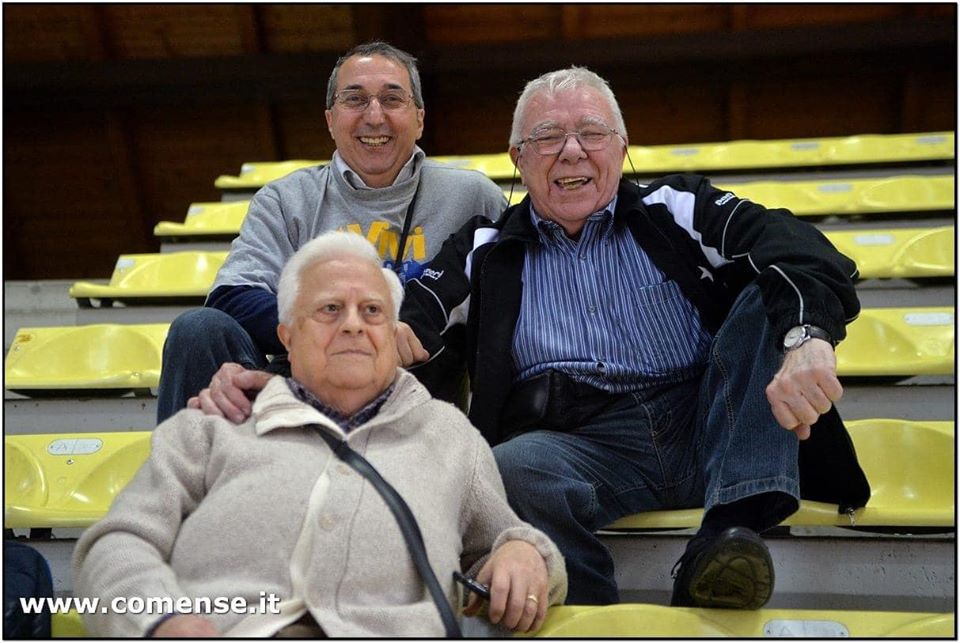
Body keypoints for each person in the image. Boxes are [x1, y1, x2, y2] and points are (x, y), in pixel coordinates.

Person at [398, 67, 870, 607]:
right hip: (581, 445)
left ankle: (726, 538)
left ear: (621, 149)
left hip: (711, 424)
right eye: (547, 137)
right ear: (517, 158)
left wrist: (807, 336)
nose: (571, 151)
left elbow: (800, 248)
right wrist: (392, 331)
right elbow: (416, 313)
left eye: (592, 133)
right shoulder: (485, 246)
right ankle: (591, 616)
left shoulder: (678, 207)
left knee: (769, 293)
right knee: (509, 468)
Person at [73, 231, 567, 638]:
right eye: (330, 309)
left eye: (372, 311)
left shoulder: (450, 437)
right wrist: (162, 621)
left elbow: (509, 549)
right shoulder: (212, 426)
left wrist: (526, 555)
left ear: (394, 332)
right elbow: (117, 542)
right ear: (287, 335)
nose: (354, 326)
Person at [155, 41, 505, 423]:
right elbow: (231, 297)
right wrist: (337, 328)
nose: (375, 116)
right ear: (330, 120)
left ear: (419, 118)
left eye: (392, 99)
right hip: (301, 402)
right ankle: (194, 460)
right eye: (355, 99)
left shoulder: (473, 197)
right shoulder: (286, 199)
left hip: (419, 402)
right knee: (197, 329)